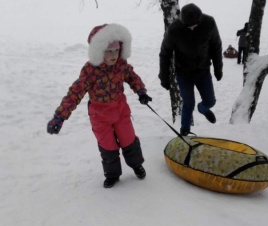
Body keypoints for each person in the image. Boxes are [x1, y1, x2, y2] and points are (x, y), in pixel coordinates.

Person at [47, 23, 152, 188]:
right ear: (98, 51)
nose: (113, 55)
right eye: (108, 51)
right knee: (107, 146)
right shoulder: (90, 70)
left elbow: (132, 76)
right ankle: (112, 174)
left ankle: (136, 165)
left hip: (120, 110)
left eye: (116, 50)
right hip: (99, 116)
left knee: (129, 139)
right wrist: (60, 116)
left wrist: (141, 92)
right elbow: (75, 93)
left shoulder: (121, 64)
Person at [159, 3, 223, 135]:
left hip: (203, 71)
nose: (193, 28)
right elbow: (165, 53)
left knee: (210, 101)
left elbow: (216, 46)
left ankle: (203, 108)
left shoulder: (209, 23)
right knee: (188, 103)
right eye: (190, 26)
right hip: (183, 73)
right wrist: (164, 77)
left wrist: (218, 68)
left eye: (196, 25)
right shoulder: (174, 29)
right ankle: (185, 132)